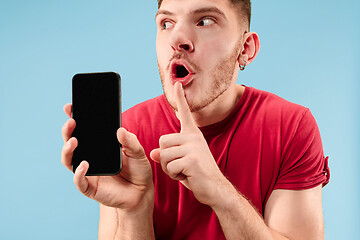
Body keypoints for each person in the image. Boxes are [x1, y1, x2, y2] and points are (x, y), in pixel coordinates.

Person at [61, 0, 330, 239]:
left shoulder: (291, 126)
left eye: (205, 21)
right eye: (166, 23)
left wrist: (220, 192)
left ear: (245, 49)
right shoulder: (128, 136)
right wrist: (135, 209)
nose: (177, 39)